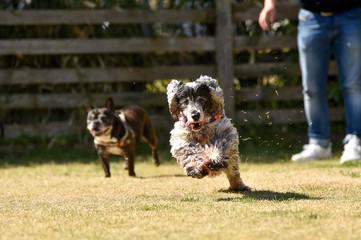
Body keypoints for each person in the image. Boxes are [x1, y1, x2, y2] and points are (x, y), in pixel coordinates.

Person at [258, 0, 361, 163]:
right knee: (312, 88)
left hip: (352, 15)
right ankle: (319, 144)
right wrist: (269, 5)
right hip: (311, 17)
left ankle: (356, 142)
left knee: (353, 85)